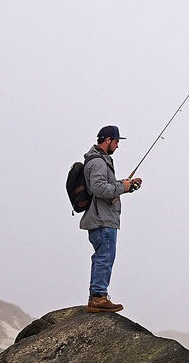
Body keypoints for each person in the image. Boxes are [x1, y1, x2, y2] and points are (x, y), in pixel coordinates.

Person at [79, 125, 142, 313]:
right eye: (116, 142)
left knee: (102, 257)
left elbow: (107, 186)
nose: (117, 146)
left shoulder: (98, 161)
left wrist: (127, 186)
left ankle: (96, 297)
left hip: (102, 218)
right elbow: (99, 188)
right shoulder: (98, 162)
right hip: (102, 219)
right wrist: (121, 187)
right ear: (108, 140)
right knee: (105, 257)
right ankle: (99, 297)